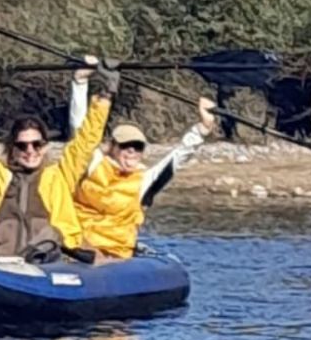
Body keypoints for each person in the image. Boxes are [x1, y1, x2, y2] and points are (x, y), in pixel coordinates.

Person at [0, 60, 118, 260]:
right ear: (12, 149)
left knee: (51, 235)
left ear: (44, 146)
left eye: (36, 144)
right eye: (22, 146)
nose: (30, 151)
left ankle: (29, 265)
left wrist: (106, 94)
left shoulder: (60, 176)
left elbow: (86, 141)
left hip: (41, 261)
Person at [69, 65, 216, 259]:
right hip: (77, 248)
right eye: (125, 146)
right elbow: (81, 132)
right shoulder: (94, 163)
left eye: (137, 147)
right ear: (113, 147)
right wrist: (80, 82)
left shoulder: (144, 179)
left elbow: (177, 158)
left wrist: (201, 129)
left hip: (115, 254)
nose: (131, 151)